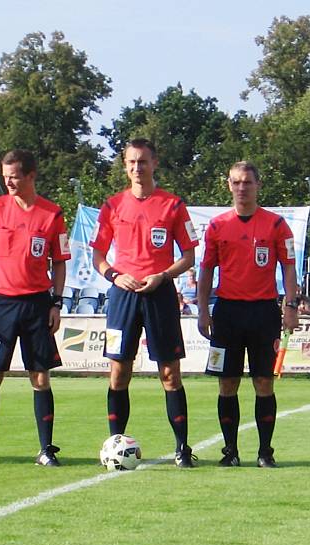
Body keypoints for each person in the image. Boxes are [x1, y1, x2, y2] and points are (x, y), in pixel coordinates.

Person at [91, 138, 199, 467]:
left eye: (143, 162)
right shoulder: (112, 206)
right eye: (131, 162)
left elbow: (189, 255)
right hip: (122, 296)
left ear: (155, 164)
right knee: (119, 373)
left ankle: (182, 449)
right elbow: (98, 255)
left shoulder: (173, 205)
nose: (137, 168)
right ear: (124, 166)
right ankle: (114, 446)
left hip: (160, 293)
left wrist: (163, 276)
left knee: (169, 373)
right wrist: (113, 276)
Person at [0, 149, 70, 467]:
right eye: (5, 175)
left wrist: (57, 302)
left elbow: (60, 261)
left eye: (14, 176)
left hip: (37, 305)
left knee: (40, 377)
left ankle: (46, 449)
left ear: (31, 176)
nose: (8, 181)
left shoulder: (52, 214)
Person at [197, 161, 298, 467]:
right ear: (229, 185)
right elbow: (206, 270)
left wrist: (290, 306)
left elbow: (289, 267)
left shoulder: (277, 225)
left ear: (258, 185)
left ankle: (265, 452)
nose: (242, 188)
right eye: (237, 182)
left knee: (264, 383)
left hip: (263, 312)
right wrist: (203, 309)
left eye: (248, 183)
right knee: (227, 384)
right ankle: (230, 451)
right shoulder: (217, 226)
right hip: (227, 312)